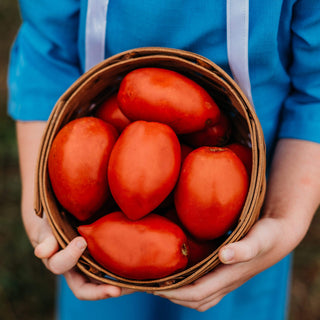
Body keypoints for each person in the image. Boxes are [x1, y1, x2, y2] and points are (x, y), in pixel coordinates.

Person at [8, 1, 320, 319]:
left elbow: (316, 89)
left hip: (251, 210)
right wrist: (43, 213)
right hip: (106, 246)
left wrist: (283, 218)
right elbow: (46, 54)